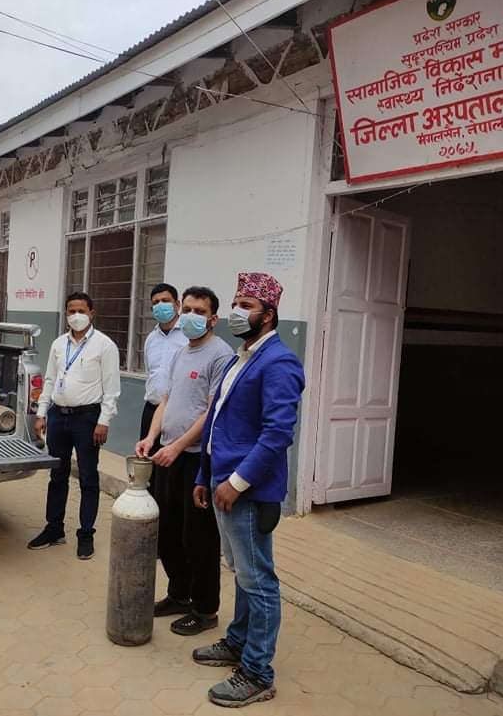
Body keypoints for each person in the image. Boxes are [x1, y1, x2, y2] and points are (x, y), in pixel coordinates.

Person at [191, 272, 305, 708]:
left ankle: (258, 671)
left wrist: (236, 483)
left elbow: (277, 434)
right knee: (242, 572)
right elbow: (219, 420)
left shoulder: (279, 362)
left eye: (246, 305)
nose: (238, 312)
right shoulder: (242, 357)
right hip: (223, 483)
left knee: (259, 580)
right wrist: (206, 476)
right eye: (236, 303)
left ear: (269, 315)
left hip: (249, 492)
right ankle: (238, 641)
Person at [135, 286, 233, 636]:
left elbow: (211, 413)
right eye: (187, 308)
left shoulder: (220, 355)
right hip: (168, 457)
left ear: (213, 318)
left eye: (199, 311)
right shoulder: (180, 353)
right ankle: (179, 593)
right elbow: (166, 400)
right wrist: (151, 436)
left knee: (199, 539)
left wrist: (178, 447)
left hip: (196, 462)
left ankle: (205, 609)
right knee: (167, 533)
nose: (191, 315)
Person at [28, 292, 121, 560]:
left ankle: (86, 533)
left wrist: (103, 421)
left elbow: (112, 390)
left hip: (87, 419)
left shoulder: (105, 346)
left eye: (81, 310)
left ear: (92, 313)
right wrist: (42, 412)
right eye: (71, 310)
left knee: (89, 478)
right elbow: (49, 379)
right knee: (57, 474)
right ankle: (54, 528)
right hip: (58, 416)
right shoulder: (59, 344)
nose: (76, 315)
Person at [141, 283, 188, 446]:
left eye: (165, 300)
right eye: (156, 302)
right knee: (147, 465)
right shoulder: (151, 338)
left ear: (177, 304)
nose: (160, 305)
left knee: (170, 466)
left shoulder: (189, 335)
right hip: (152, 409)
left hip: (178, 414)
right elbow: (151, 374)